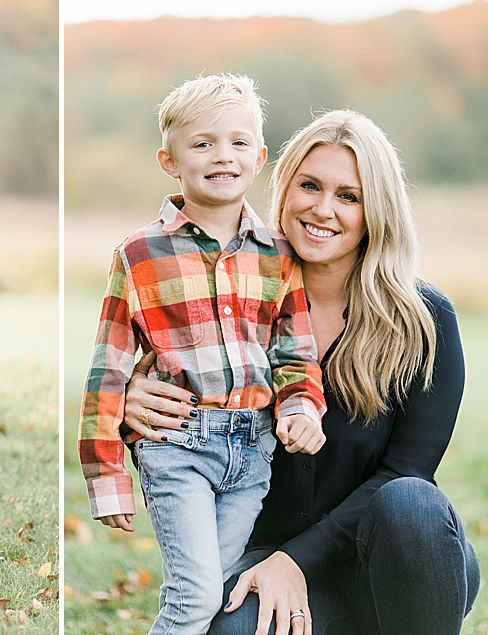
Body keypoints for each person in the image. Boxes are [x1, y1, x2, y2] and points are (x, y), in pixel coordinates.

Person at [124, 110, 479, 635]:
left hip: (387, 557)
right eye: (309, 186)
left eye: (349, 196)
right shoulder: (225, 302)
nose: (323, 208)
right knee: (233, 628)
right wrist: (131, 408)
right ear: (284, 190)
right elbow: (184, 449)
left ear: (376, 210)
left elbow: (409, 468)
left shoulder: (424, 320)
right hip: (265, 556)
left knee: (408, 500)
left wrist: (297, 560)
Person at [77, 74, 327, 634]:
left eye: (238, 143)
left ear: (260, 156)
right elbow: (109, 367)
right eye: (203, 143)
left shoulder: (279, 256)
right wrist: (107, 475)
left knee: (215, 591)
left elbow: (294, 353)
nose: (223, 155)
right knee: (192, 598)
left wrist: (300, 408)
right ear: (169, 161)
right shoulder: (140, 252)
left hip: (253, 452)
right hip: (178, 448)